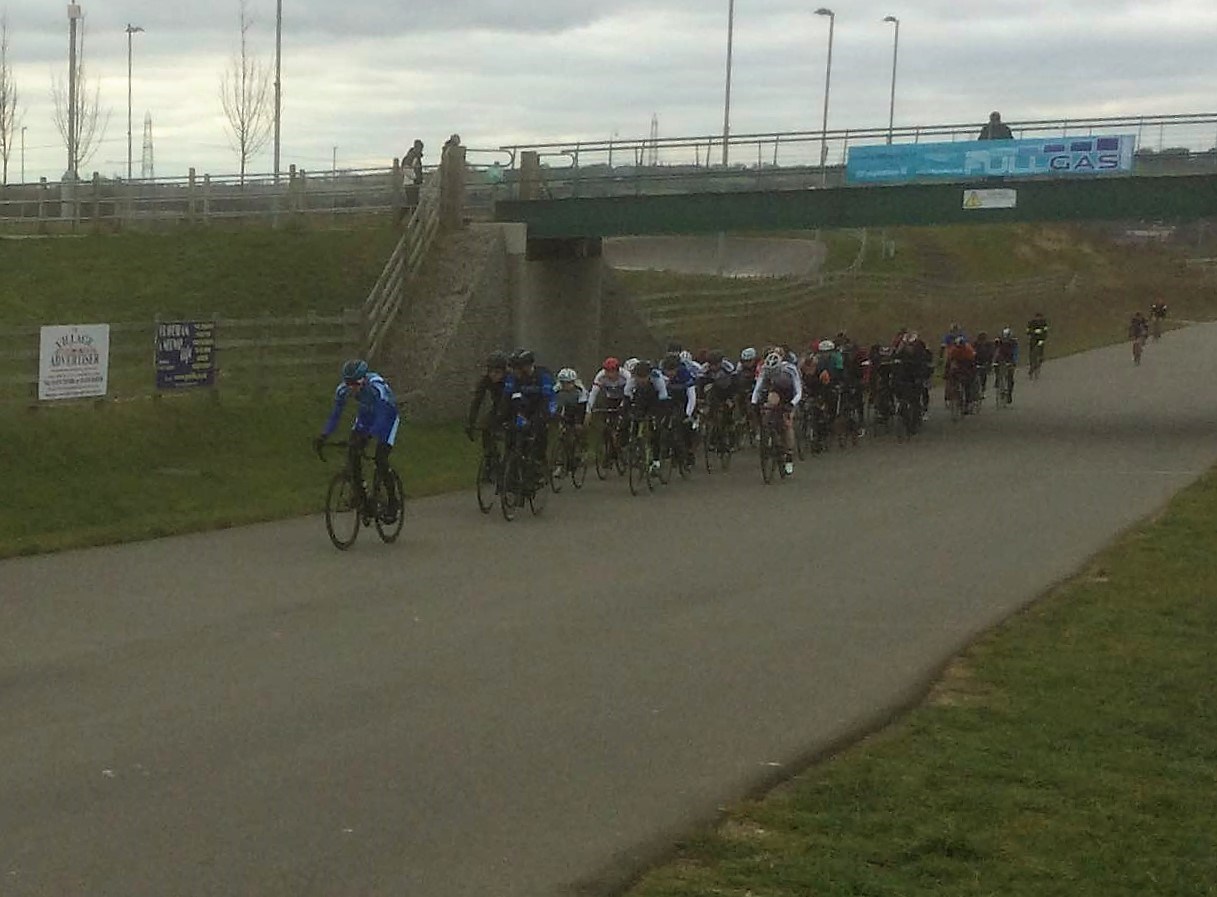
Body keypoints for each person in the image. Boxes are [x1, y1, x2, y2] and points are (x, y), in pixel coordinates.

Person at [315, 359, 401, 522]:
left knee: (381, 459)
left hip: (387, 418)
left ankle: (392, 502)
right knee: (352, 452)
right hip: (366, 417)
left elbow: (382, 417)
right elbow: (335, 415)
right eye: (348, 383)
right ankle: (361, 496)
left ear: (364, 380)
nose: (351, 388)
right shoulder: (343, 390)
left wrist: (369, 436)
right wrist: (324, 435)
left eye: (355, 384)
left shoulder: (377, 388)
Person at [502, 348, 557, 472]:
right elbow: (508, 399)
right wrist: (503, 418)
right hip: (526, 407)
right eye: (513, 368)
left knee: (539, 427)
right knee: (515, 430)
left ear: (527, 366)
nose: (514, 371)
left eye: (517, 368)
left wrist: (539, 418)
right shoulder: (514, 377)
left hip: (544, 405)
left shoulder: (543, 375)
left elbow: (546, 400)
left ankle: (540, 460)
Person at [751, 350, 803, 477]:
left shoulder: (790, 369)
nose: (771, 373)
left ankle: (789, 455)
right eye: (770, 371)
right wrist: (754, 402)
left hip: (789, 393)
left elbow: (798, 391)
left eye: (774, 371)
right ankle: (767, 432)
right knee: (769, 405)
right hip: (775, 391)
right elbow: (757, 388)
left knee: (787, 422)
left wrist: (792, 404)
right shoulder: (765, 370)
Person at [466, 350, 510, 463]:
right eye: (491, 371)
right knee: (485, 427)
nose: (493, 375)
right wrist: (471, 423)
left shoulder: (511, 380)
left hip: (513, 409)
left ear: (504, 371)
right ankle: (490, 459)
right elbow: (477, 401)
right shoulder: (486, 380)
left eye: (497, 372)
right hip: (497, 408)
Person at [944, 335, 977, 412]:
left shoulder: (968, 350)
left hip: (967, 365)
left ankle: (968, 402)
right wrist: (946, 373)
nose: (959, 348)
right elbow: (949, 363)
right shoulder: (953, 350)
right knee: (952, 379)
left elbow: (972, 364)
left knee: (968, 384)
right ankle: (952, 396)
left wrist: (972, 373)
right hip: (958, 367)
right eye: (958, 347)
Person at [993, 327, 1020, 402]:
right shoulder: (998, 341)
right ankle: (997, 379)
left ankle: (1009, 394)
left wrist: (1014, 362)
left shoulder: (1014, 342)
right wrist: (994, 361)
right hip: (1001, 358)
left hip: (1010, 358)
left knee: (1010, 376)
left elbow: (1016, 352)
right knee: (997, 367)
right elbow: (995, 351)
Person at [974, 331, 996, 397]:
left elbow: (991, 354)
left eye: (983, 339)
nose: (982, 341)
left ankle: (982, 390)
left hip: (985, 362)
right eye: (981, 340)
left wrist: (989, 364)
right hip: (976, 362)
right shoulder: (975, 344)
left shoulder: (989, 345)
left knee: (983, 376)